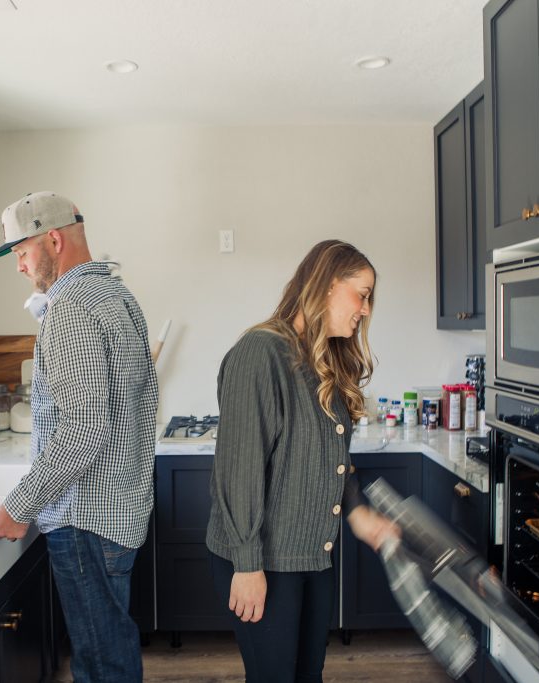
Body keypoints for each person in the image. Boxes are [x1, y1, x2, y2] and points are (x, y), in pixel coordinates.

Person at [0, 191, 158, 683]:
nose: (19, 266)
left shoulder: (71, 308)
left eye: (21, 251)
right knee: (111, 654)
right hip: (118, 507)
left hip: (85, 517)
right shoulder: (118, 296)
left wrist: (16, 506)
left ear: (53, 240)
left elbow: (83, 429)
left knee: (102, 666)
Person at [206, 239, 397, 683]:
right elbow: (240, 469)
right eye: (362, 294)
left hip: (312, 555)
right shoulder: (261, 353)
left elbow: (333, 456)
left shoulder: (324, 360)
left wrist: (359, 513)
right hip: (263, 560)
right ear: (328, 286)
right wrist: (247, 564)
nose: (366, 309)